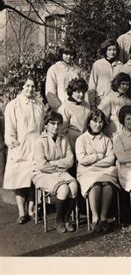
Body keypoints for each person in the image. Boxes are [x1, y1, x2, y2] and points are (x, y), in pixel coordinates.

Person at [3, 77, 45, 224]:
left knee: (34, 178)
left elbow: (41, 127)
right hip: (20, 145)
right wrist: (11, 141)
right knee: (20, 179)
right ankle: (22, 212)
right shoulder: (13, 105)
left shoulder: (39, 104)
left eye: (33, 86)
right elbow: (9, 129)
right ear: (22, 87)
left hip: (36, 146)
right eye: (27, 86)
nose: (30, 89)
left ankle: (32, 209)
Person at [32, 111, 78, 233]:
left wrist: (53, 164)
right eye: (52, 123)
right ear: (46, 125)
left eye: (58, 124)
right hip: (42, 174)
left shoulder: (64, 139)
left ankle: (67, 219)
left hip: (60, 171)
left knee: (74, 186)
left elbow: (70, 160)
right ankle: (59, 220)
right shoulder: (40, 141)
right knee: (63, 189)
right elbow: (41, 165)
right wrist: (58, 165)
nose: (55, 127)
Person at [76, 109, 119, 232]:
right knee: (94, 185)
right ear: (89, 122)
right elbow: (82, 159)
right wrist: (99, 156)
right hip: (86, 172)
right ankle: (95, 217)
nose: (98, 124)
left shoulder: (106, 140)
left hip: (104, 170)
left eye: (100, 122)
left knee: (108, 185)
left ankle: (103, 217)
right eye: (95, 121)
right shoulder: (82, 139)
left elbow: (110, 159)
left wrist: (93, 163)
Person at [88, 38, 124, 108]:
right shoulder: (98, 64)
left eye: (114, 50)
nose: (112, 52)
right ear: (105, 50)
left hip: (116, 101)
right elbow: (92, 84)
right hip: (101, 100)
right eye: (109, 50)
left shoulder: (120, 65)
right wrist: (92, 103)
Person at [58, 78, 90, 153]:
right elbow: (62, 131)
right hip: (71, 140)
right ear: (71, 92)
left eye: (83, 92)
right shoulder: (65, 107)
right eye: (78, 92)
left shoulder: (86, 105)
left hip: (85, 139)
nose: (81, 95)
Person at [45, 46, 82, 111]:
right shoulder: (54, 69)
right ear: (61, 53)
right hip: (61, 107)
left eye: (71, 55)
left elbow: (82, 90)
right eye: (66, 54)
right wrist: (59, 107)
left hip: (76, 108)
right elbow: (50, 92)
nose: (69, 57)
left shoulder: (77, 70)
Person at [98, 72, 131, 138]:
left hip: (126, 135)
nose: (125, 86)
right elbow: (101, 119)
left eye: (127, 84)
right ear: (117, 83)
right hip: (112, 134)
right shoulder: (109, 98)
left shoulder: (129, 101)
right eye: (123, 84)